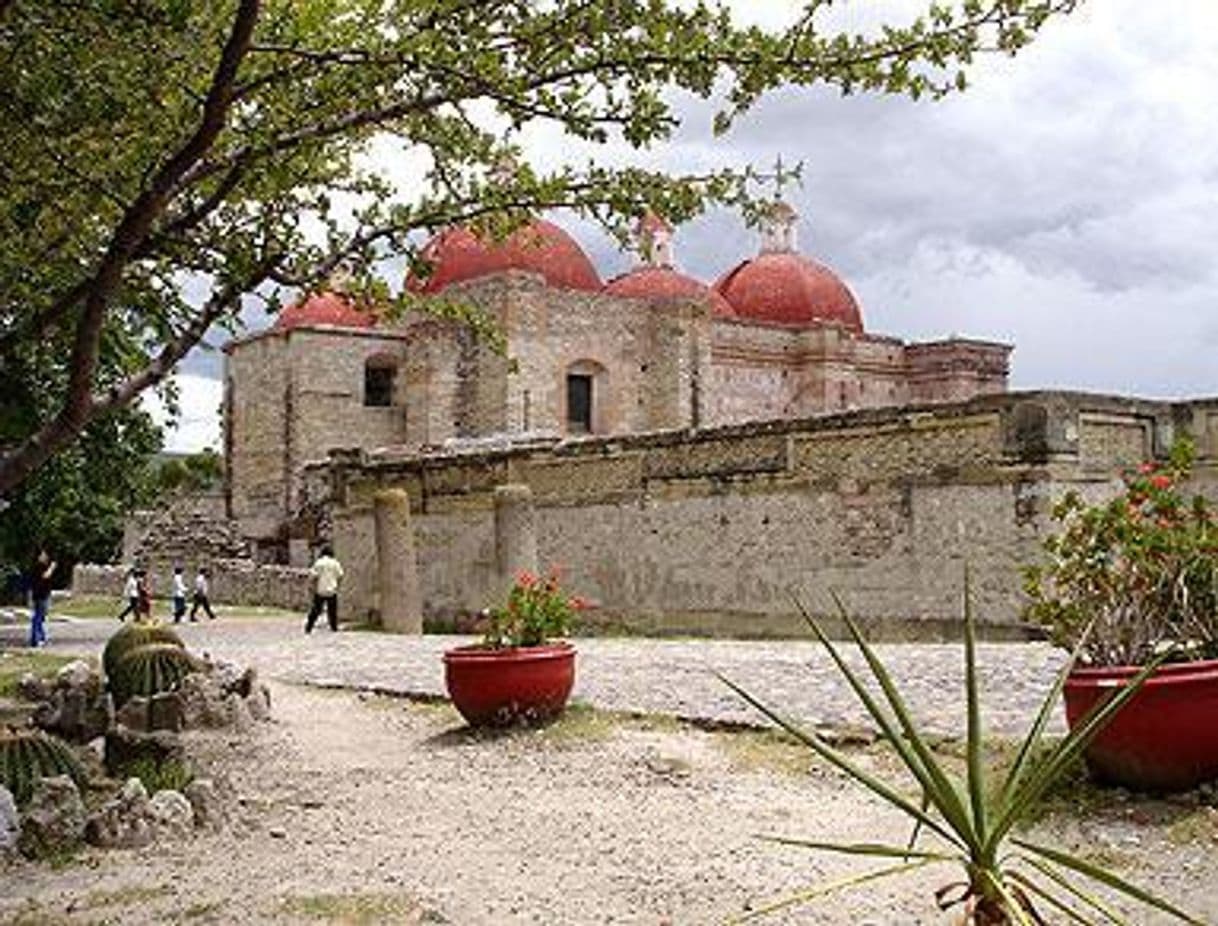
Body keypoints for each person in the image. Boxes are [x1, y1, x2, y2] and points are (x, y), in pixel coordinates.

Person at [305, 545, 344, 633]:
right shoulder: (335, 563)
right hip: (332, 589)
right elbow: (340, 575)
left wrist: (312, 587)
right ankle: (334, 627)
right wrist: (337, 586)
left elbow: (313, 576)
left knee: (316, 609)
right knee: (332, 610)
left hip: (320, 589)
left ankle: (309, 626)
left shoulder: (319, 563)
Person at [27, 548, 56, 648]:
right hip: (40, 595)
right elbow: (45, 576)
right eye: (43, 555)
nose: (45, 557)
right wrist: (52, 567)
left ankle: (40, 637)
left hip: (42, 594)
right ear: (39, 556)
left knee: (40, 617)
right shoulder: (38, 566)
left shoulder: (41, 566)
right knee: (38, 617)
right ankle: (36, 639)